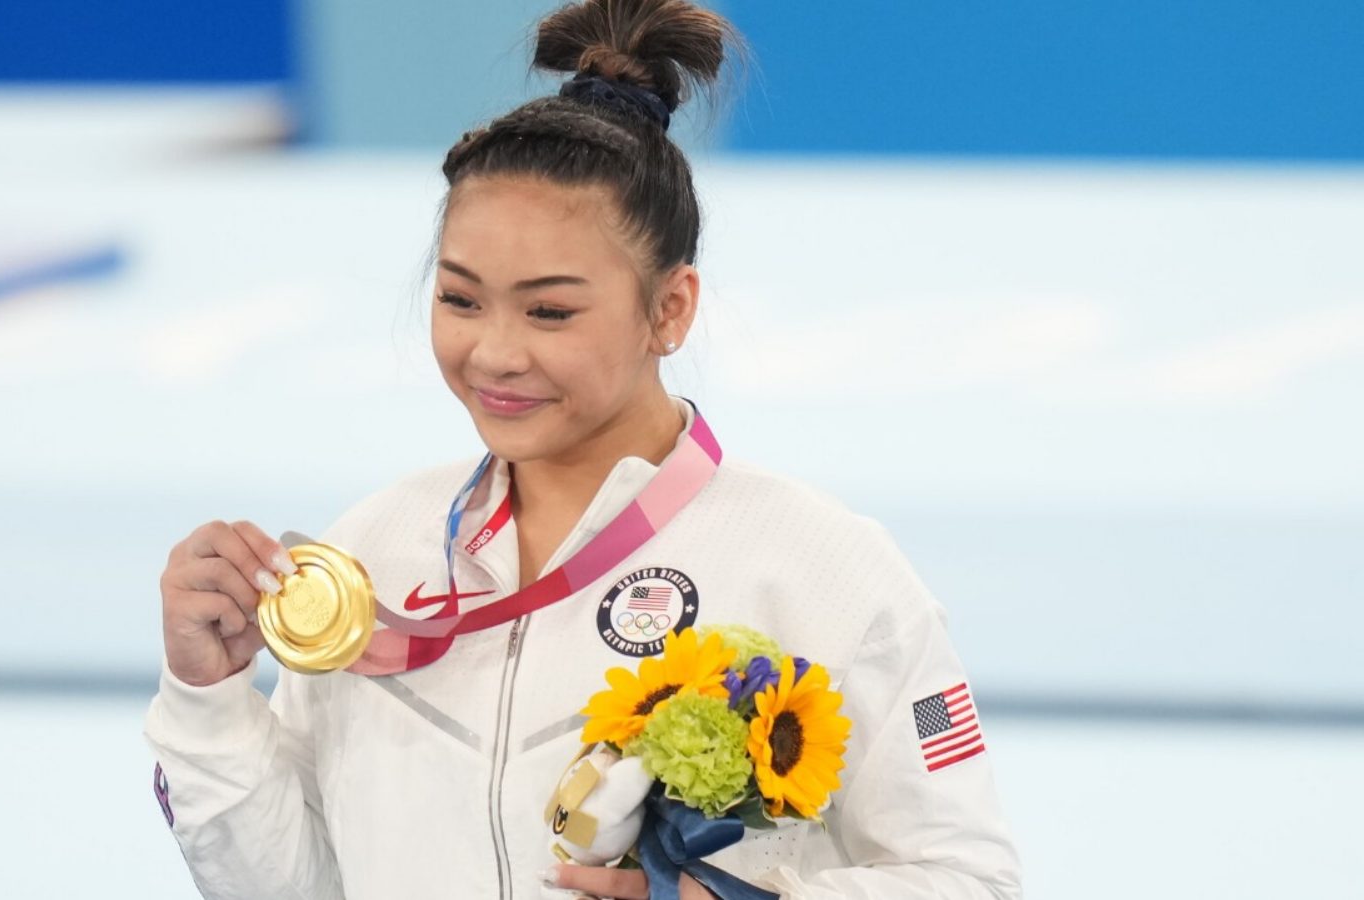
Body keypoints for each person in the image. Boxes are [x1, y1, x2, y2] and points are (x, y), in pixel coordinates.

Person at [143, 1, 1022, 897]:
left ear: (670, 309)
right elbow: (292, 886)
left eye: (550, 311)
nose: (494, 352)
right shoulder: (377, 551)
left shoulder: (821, 569)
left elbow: (969, 879)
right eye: (460, 299)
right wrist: (207, 699)